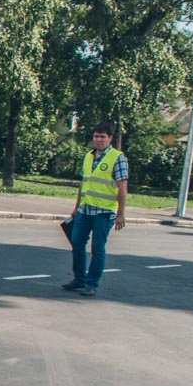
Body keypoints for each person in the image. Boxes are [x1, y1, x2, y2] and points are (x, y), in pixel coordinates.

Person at [63, 123, 128, 296]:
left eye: (102, 137)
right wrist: (76, 207)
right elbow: (84, 183)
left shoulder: (117, 158)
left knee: (98, 248)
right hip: (85, 209)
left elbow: (122, 187)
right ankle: (79, 279)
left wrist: (121, 214)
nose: (98, 140)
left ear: (110, 138)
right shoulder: (88, 156)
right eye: (96, 136)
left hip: (104, 212)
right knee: (76, 242)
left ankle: (92, 284)